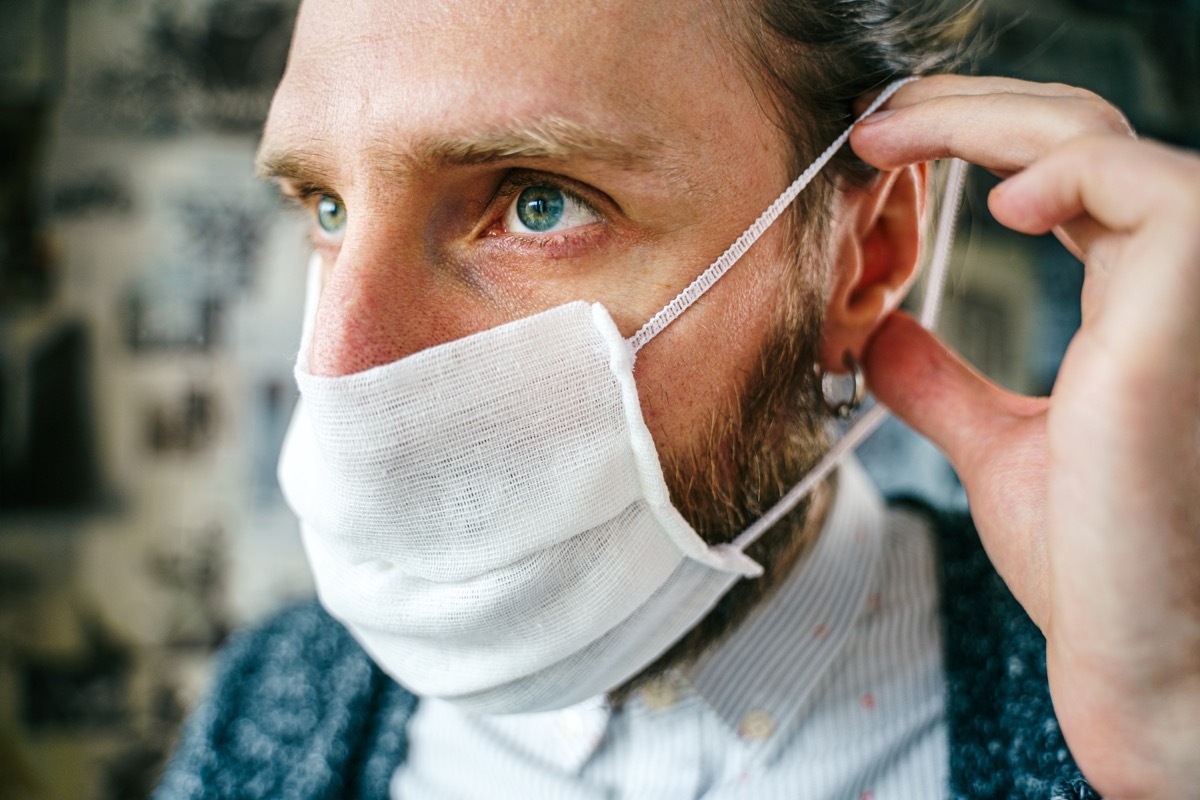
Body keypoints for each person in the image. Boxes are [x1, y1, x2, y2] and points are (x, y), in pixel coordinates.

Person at [154, 0, 1200, 797]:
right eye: (327, 206)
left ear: (863, 255)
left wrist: (1170, 738)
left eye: (536, 200)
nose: (341, 378)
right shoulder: (270, 704)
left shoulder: (1120, 707)